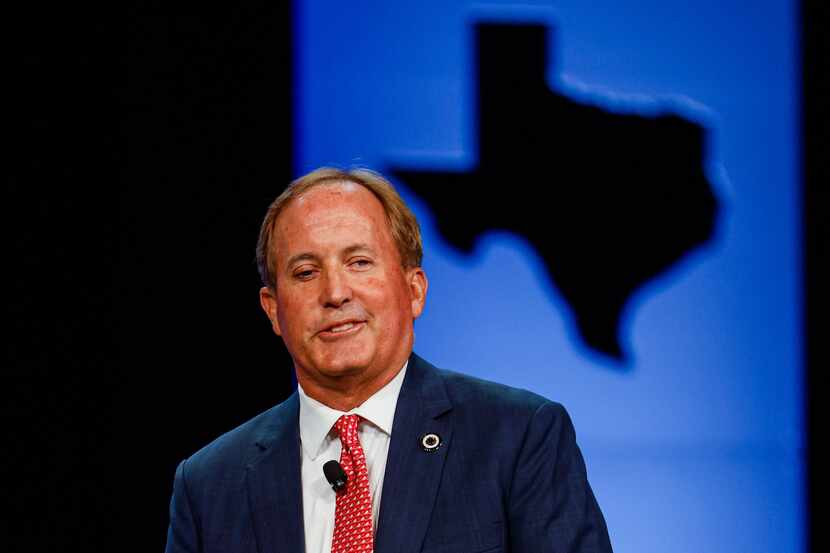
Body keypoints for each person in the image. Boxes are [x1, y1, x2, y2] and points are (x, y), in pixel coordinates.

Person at [164, 167, 613, 553]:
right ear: (273, 309)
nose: (335, 293)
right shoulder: (208, 484)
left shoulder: (518, 438)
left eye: (359, 262)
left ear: (414, 289)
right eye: (305, 272)